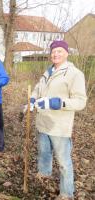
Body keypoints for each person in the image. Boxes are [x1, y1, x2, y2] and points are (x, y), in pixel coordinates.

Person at [28, 40, 87, 200]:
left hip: (59, 126)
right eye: (53, 51)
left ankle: (67, 192)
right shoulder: (47, 72)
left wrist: (60, 102)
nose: (56, 54)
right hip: (43, 122)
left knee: (63, 161)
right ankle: (44, 173)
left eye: (60, 51)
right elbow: (37, 89)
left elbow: (81, 101)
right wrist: (32, 99)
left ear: (67, 53)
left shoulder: (75, 74)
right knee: (43, 152)